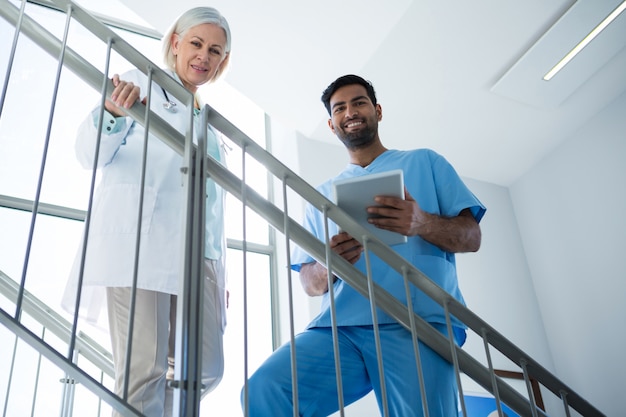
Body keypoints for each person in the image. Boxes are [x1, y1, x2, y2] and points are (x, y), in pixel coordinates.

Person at [243, 74, 486, 417]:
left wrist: (422, 222)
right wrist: (330, 264)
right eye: (340, 108)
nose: (350, 111)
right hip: (340, 329)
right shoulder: (321, 196)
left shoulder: (426, 163)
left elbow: (471, 237)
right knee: (266, 390)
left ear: (378, 111)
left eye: (359, 102)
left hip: (418, 324)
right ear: (332, 124)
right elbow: (310, 283)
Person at [62, 7, 232, 417]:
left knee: (207, 368)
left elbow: (210, 207)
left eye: (214, 51)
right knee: (144, 371)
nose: (203, 57)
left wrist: (217, 271)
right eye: (196, 44)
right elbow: (88, 154)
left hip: (197, 258)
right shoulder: (140, 83)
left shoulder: (208, 120)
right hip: (140, 245)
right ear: (175, 43)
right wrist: (112, 115)